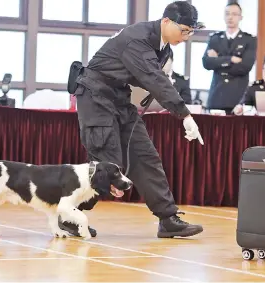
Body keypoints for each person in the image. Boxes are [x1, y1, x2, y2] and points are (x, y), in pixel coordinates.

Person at [60, 1, 205, 239]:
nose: (186, 37)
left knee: (145, 155)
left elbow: (150, 81)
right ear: (166, 21)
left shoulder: (164, 47)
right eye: (184, 30)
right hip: (95, 96)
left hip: (119, 98)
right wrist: (184, 114)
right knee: (107, 165)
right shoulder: (137, 38)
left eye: (191, 32)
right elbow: (153, 79)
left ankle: (168, 218)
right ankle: (68, 216)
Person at [202, 2, 257, 114]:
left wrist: (217, 60)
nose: (230, 17)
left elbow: (244, 67)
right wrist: (230, 59)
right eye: (227, 14)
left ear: (240, 17)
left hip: (238, 97)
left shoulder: (249, 40)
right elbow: (206, 63)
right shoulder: (215, 38)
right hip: (217, 95)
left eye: (234, 14)